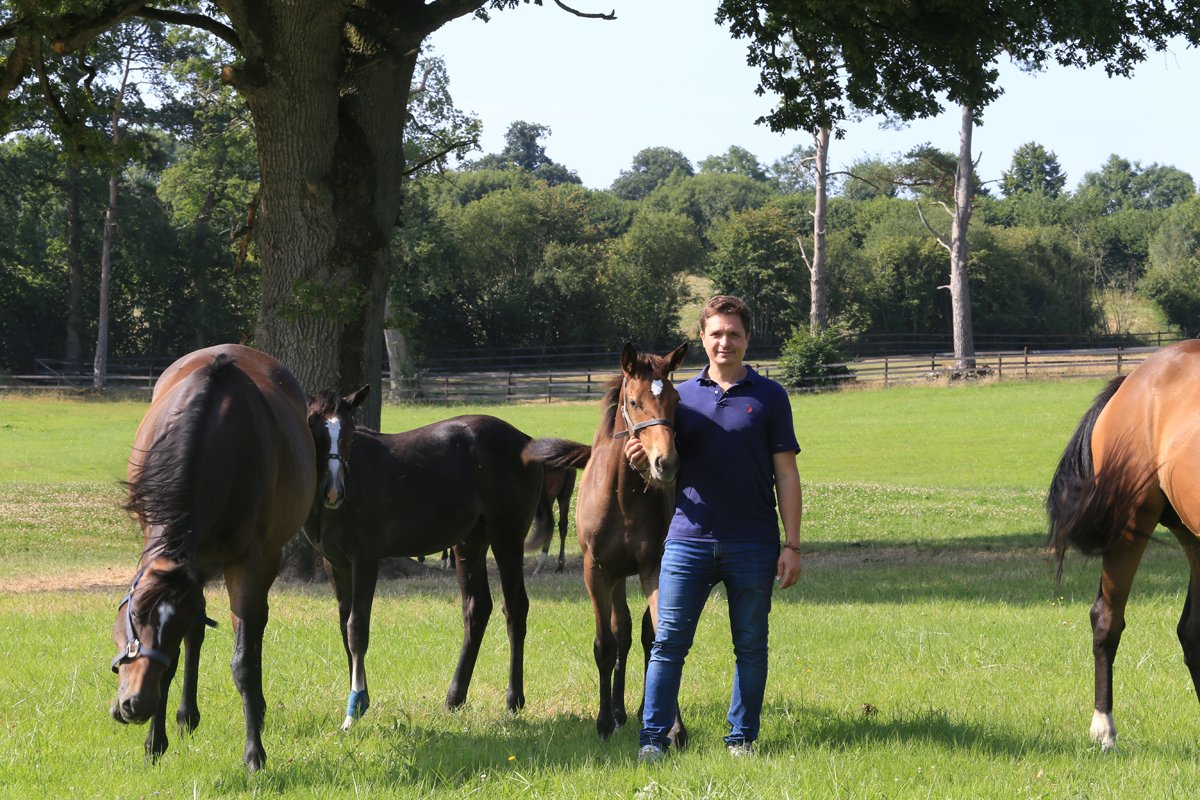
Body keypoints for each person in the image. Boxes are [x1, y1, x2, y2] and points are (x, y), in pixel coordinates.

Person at [626, 294, 803, 761]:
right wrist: (641, 463)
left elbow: (787, 475)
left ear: (747, 339)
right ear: (703, 338)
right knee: (668, 644)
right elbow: (664, 472)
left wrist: (792, 545)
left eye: (734, 334)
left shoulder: (771, 397)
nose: (726, 342)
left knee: (751, 646)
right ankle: (653, 740)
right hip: (688, 540)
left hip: (753, 542)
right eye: (717, 333)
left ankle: (741, 740)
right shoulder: (679, 397)